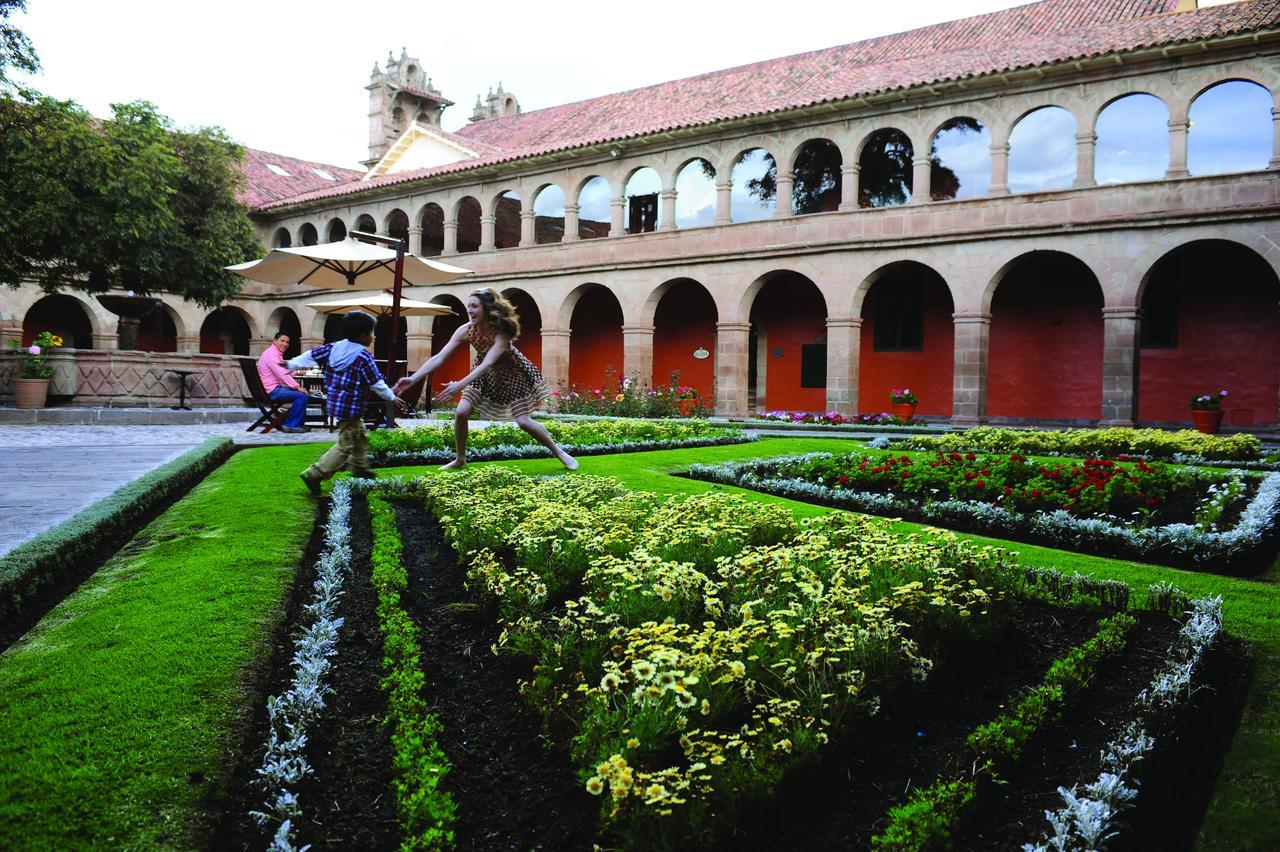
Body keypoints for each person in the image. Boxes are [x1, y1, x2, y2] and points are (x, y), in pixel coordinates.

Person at [395, 287, 577, 471]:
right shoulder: (466, 330)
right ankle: (460, 459)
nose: (469, 310)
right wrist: (414, 379)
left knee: (523, 422)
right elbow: (439, 357)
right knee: (461, 413)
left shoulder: (502, 331)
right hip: (482, 375)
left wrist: (460, 384)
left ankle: (559, 452)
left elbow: (489, 362)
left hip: (511, 375)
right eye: (468, 306)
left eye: (474, 306)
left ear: (487, 308)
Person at [287, 311, 398, 494]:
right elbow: (376, 382)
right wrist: (392, 397)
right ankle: (314, 473)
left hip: (337, 404)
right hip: (353, 406)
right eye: (371, 333)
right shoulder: (363, 356)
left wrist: (292, 364)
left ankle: (359, 468)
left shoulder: (333, 348)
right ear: (363, 336)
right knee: (346, 444)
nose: (373, 336)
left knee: (360, 435)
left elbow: (311, 355)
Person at [257, 331, 310, 433]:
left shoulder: (273, 353)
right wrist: (297, 386)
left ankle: (295, 423)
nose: (285, 344)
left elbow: (282, 371)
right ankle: (292, 425)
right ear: (275, 341)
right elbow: (282, 374)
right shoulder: (272, 355)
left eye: (287, 342)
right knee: (301, 395)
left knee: (301, 394)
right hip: (272, 391)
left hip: (270, 390)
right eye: (282, 341)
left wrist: (297, 372)